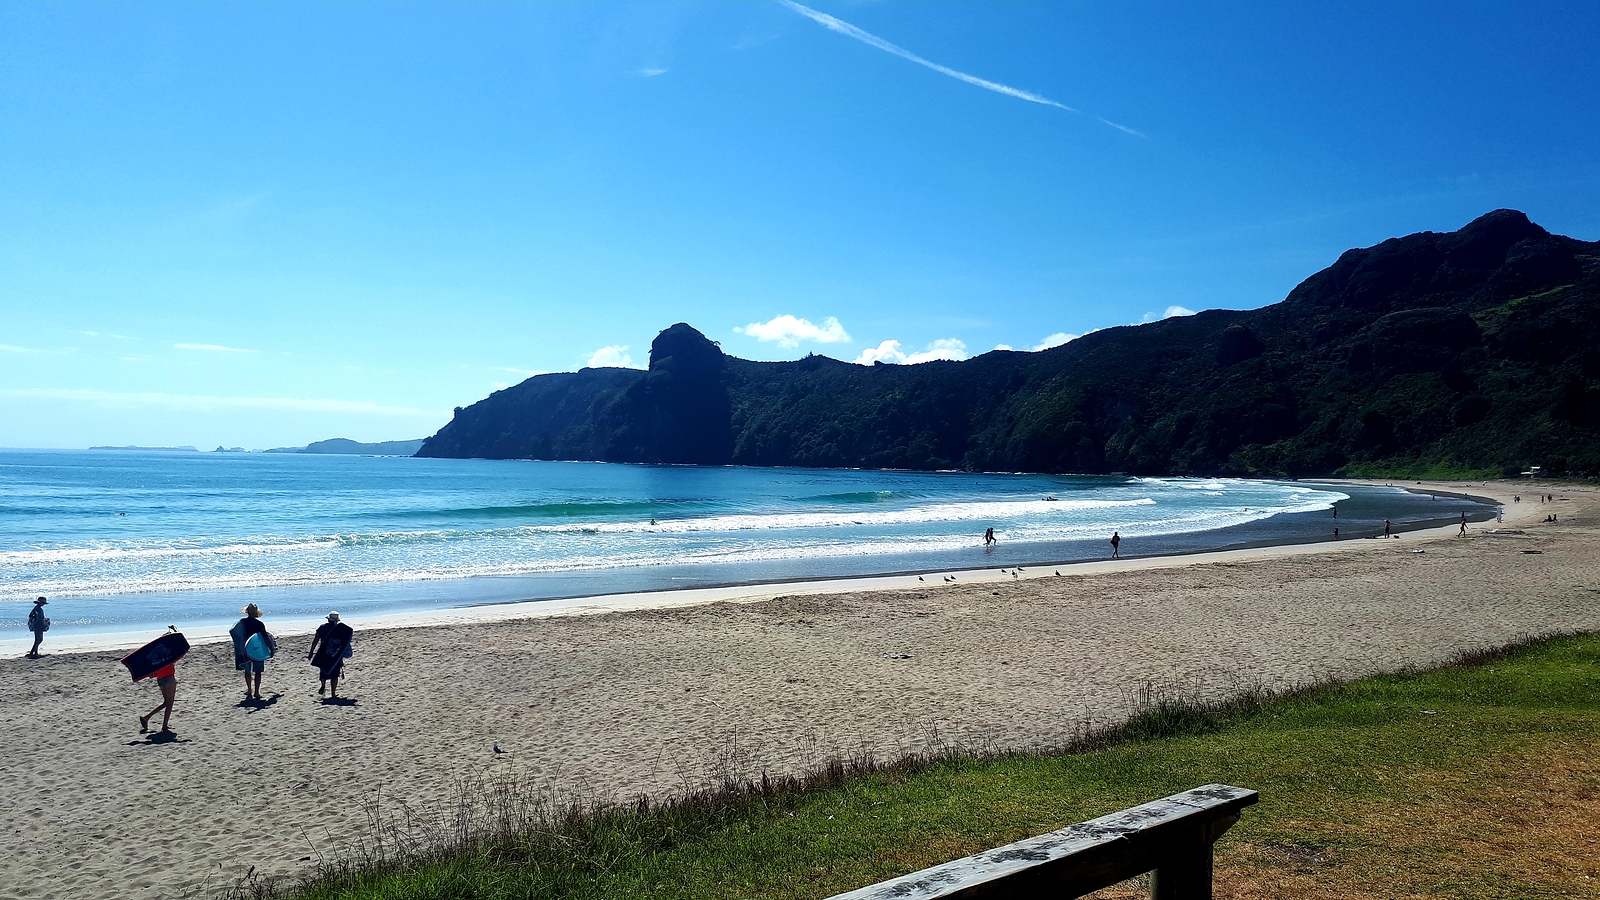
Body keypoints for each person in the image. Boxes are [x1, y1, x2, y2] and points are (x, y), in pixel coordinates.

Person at [229, 603, 274, 700]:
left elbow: (232, 631)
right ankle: (257, 692)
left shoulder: (242, 622)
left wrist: (239, 643)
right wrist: (271, 649)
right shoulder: (259, 624)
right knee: (258, 672)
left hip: (245, 649)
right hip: (258, 650)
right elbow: (265, 638)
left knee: (247, 671)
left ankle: (249, 691)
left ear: (247, 612)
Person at [308, 611, 354, 698]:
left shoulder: (322, 628)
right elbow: (344, 642)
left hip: (323, 653)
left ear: (328, 619)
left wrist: (311, 652)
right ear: (336, 620)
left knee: (323, 671)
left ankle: (323, 685)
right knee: (335, 674)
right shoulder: (339, 629)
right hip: (335, 654)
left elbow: (315, 641)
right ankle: (333, 694)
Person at [140, 660, 178, 734]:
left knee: (166, 702)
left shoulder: (154, 655)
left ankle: (147, 718)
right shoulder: (167, 653)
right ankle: (164, 726)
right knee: (170, 702)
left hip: (160, 678)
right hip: (169, 677)